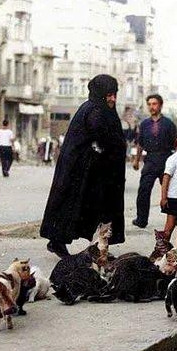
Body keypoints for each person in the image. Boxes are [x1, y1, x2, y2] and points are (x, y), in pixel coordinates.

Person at [40, 74, 126, 257]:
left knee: (90, 208)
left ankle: (96, 246)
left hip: (91, 171)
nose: (112, 99)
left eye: (114, 94)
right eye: (109, 95)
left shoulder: (98, 108)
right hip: (83, 172)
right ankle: (60, 242)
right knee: (82, 207)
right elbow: (103, 138)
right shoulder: (95, 111)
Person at [132, 94, 176, 228]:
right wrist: (136, 160)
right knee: (143, 190)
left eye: (154, 104)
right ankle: (141, 220)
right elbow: (140, 143)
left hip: (166, 159)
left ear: (160, 105)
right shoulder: (144, 124)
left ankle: (174, 218)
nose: (152, 107)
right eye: (149, 104)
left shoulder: (169, 124)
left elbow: (176, 144)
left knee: (170, 191)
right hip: (150, 160)